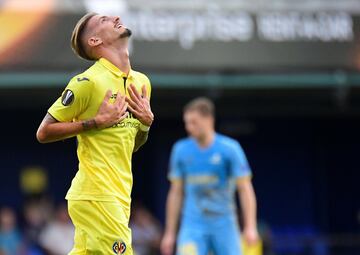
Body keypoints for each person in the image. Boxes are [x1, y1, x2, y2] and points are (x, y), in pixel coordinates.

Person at [36, 12, 154, 254]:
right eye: (104, 20)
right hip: (96, 194)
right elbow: (44, 131)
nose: (115, 17)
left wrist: (145, 124)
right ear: (94, 41)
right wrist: (94, 123)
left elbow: (133, 144)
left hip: (120, 195)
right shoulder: (87, 82)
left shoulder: (141, 82)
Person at [161, 97, 259, 255]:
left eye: (194, 122)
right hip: (192, 223)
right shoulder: (180, 150)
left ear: (209, 120)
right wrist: (170, 233)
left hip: (224, 222)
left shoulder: (230, 149)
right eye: (186, 122)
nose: (189, 127)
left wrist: (250, 226)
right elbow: (176, 192)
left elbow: (245, 189)